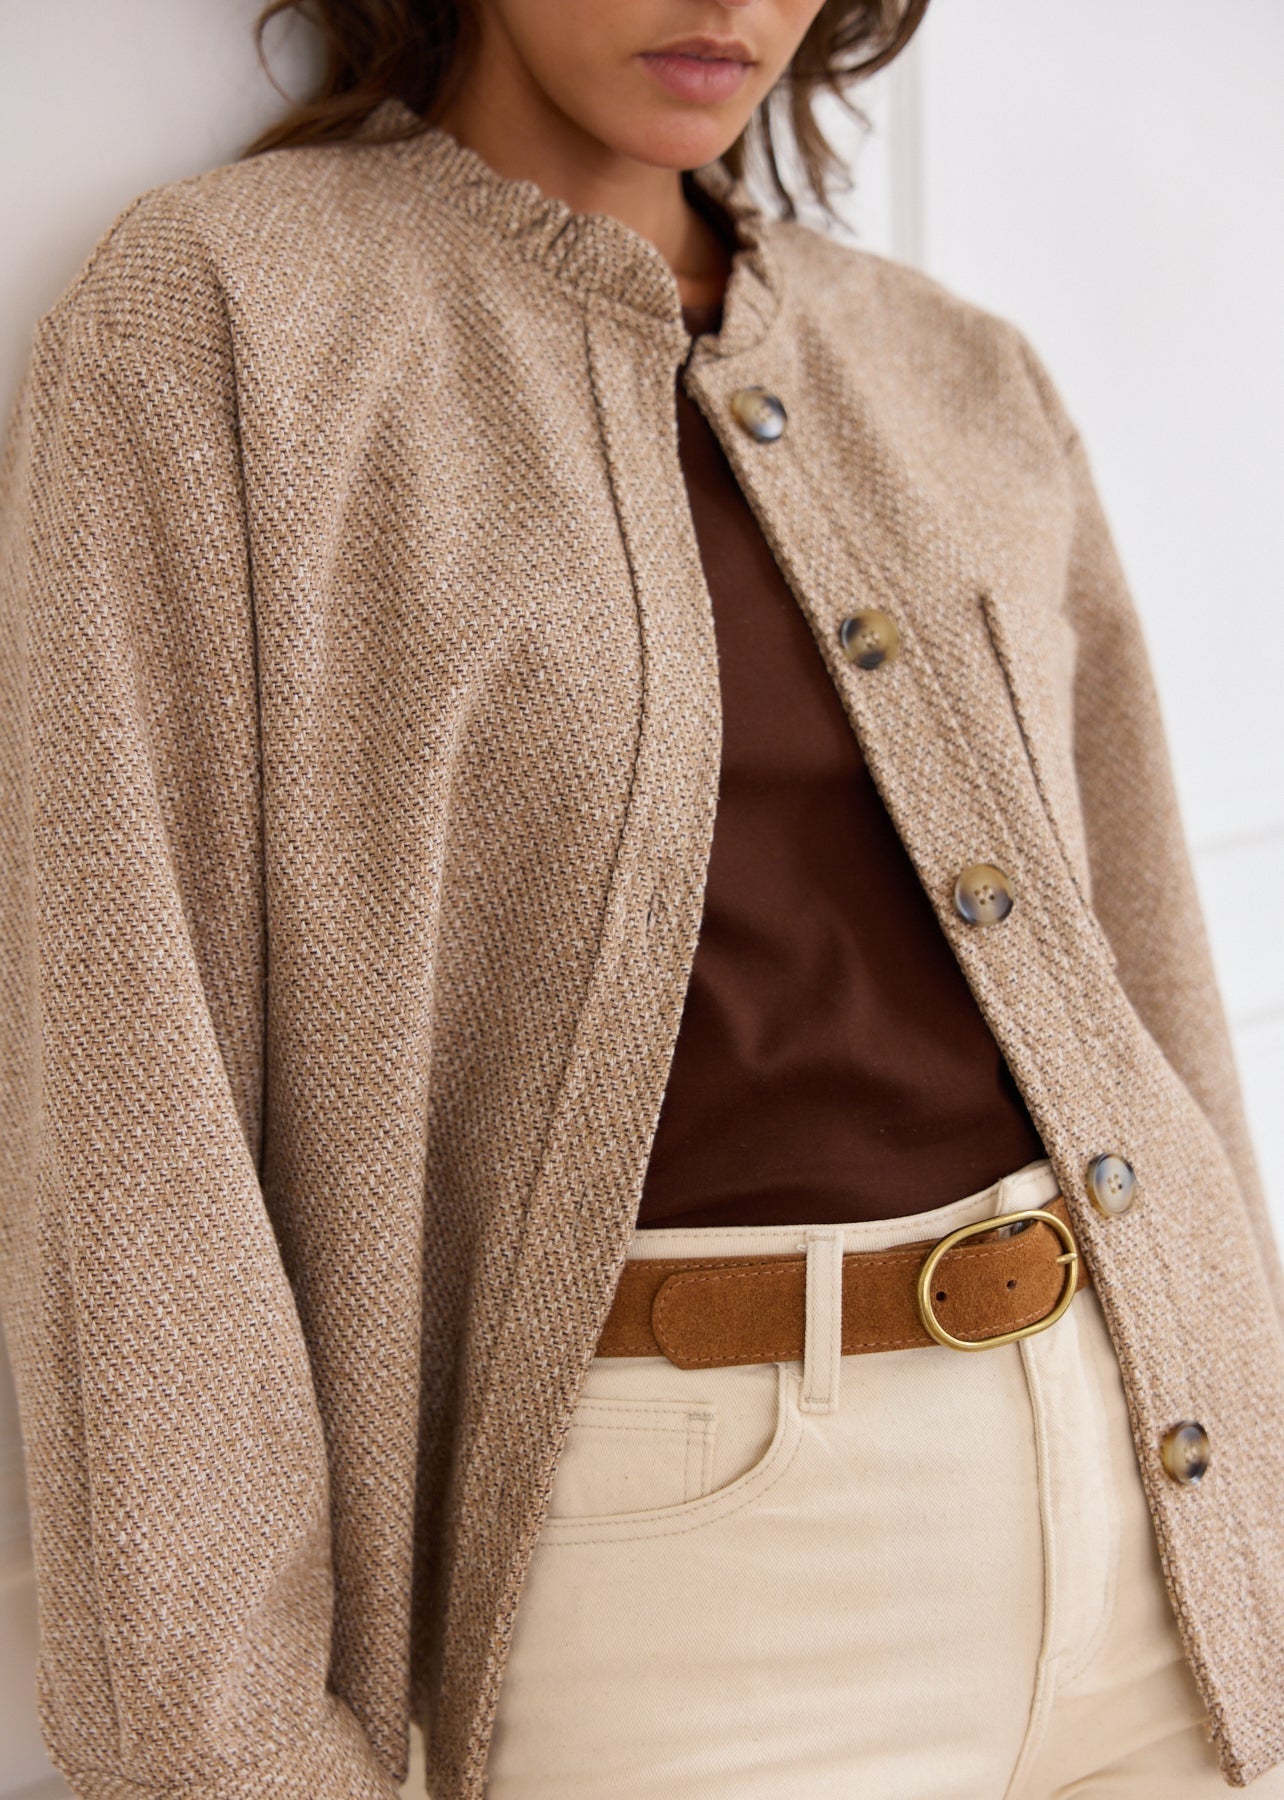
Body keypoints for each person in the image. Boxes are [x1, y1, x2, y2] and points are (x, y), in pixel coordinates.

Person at [1, 1, 1282, 1796]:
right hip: (697, 1601)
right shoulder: (228, 318)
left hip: (1162, 1507)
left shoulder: (958, 371)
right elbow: (132, 1096)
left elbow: (1147, 971)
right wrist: (231, 1757)